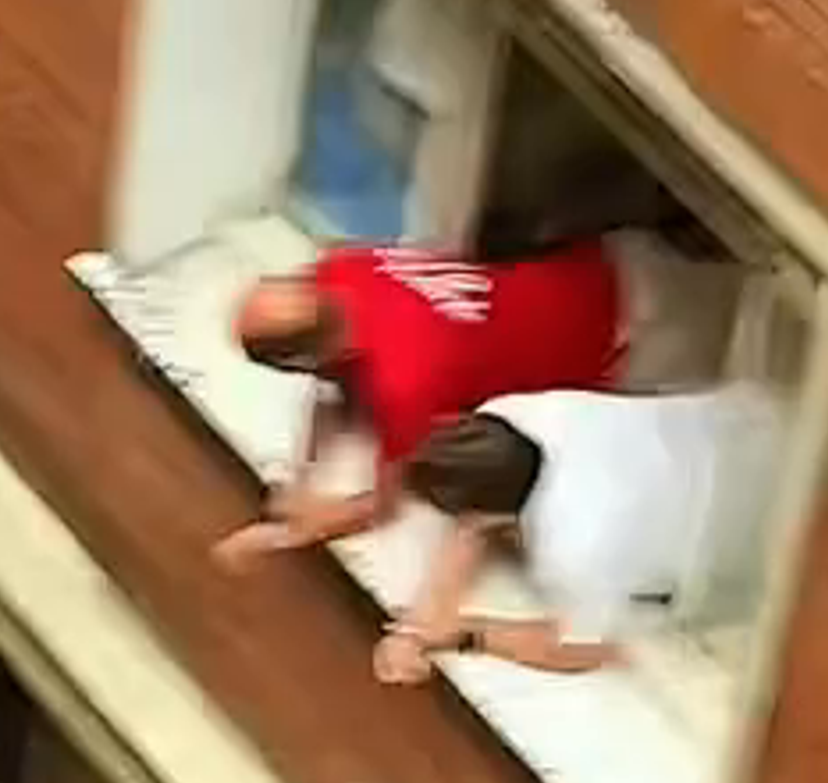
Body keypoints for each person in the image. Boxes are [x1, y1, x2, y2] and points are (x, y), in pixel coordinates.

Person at [218, 237, 644, 570]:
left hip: (616, 334)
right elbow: (332, 387)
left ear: (301, 358)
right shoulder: (341, 268)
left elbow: (383, 506)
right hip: (584, 263)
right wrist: (300, 480)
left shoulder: (404, 385)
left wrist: (282, 537)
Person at [378, 386, 782, 688]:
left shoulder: (573, 548)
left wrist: (467, 634)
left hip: (771, 527)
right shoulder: (509, 413)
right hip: (762, 422)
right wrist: (415, 627)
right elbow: (471, 525)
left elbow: (588, 648)